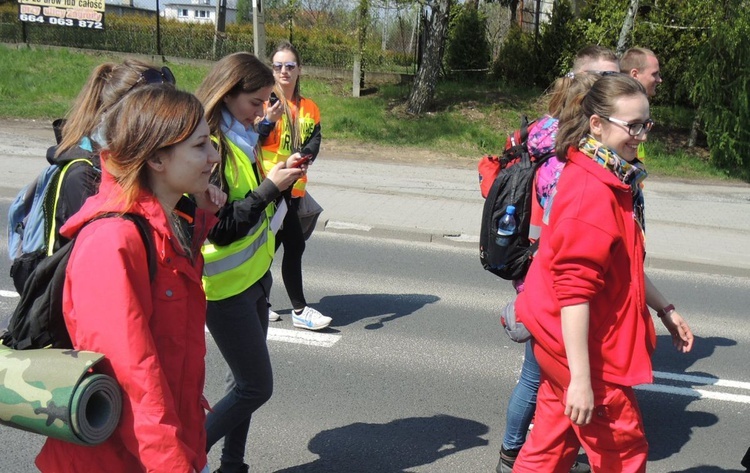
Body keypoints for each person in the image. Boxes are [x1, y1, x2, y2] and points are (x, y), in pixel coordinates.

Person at [35, 85, 223, 473]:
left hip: (158, 449)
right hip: (117, 461)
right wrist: (173, 465)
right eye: (201, 145)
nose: (213, 157)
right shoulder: (113, 241)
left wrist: (201, 215)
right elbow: (130, 375)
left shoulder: (164, 224)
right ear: (156, 158)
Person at [511, 74, 694, 472]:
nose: (641, 136)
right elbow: (574, 294)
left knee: (550, 444)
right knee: (623, 455)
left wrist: (665, 309)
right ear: (597, 124)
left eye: (646, 124)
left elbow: (624, 266)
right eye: (632, 126)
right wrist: (582, 379)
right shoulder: (592, 191)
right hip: (586, 352)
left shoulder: (608, 176)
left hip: (565, 345)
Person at [496, 44, 621, 473]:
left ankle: (527, 455)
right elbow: (570, 247)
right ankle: (512, 454)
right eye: (605, 80)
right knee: (538, 377)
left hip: (538, 274)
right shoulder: (567, 162)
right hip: (548, 285)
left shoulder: (549, 141)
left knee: (544, 384)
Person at [195, 52, 306, 473]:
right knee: (256, 387)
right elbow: (220, 228)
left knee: (240, 382)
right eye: (255, 102)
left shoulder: (240, 137)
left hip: (255, 280)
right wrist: (269, 189)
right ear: (226, 94)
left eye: (266, 102)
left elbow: (249, 204)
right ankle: (187, 451)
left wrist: (278, 179)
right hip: (226, 291)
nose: (262, 111)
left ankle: (233, 465)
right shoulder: (210, 147)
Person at [49, 59, 177, 251]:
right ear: (126, 113)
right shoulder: (83, 175)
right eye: (157, 115)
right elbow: (101, 254)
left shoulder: (132, 159)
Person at [258, 40, 331, 331]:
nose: (284, 71)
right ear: (271, 70)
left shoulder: (309, 107)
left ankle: (258, 300)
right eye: (278, 66)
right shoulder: (265, 103)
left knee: (269, 246)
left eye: (290, 66)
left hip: (295, 188)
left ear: (299, 70)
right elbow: (254, 139)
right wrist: (266, 122)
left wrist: (304, 154)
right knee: (294, 245)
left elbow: (315, 140)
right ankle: (300, 310)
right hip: (271, 187)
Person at [620, 47, 662, 161]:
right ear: (635, 74)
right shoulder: (619, 107)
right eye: (654, 74)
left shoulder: (635, 107)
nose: (659, 80)